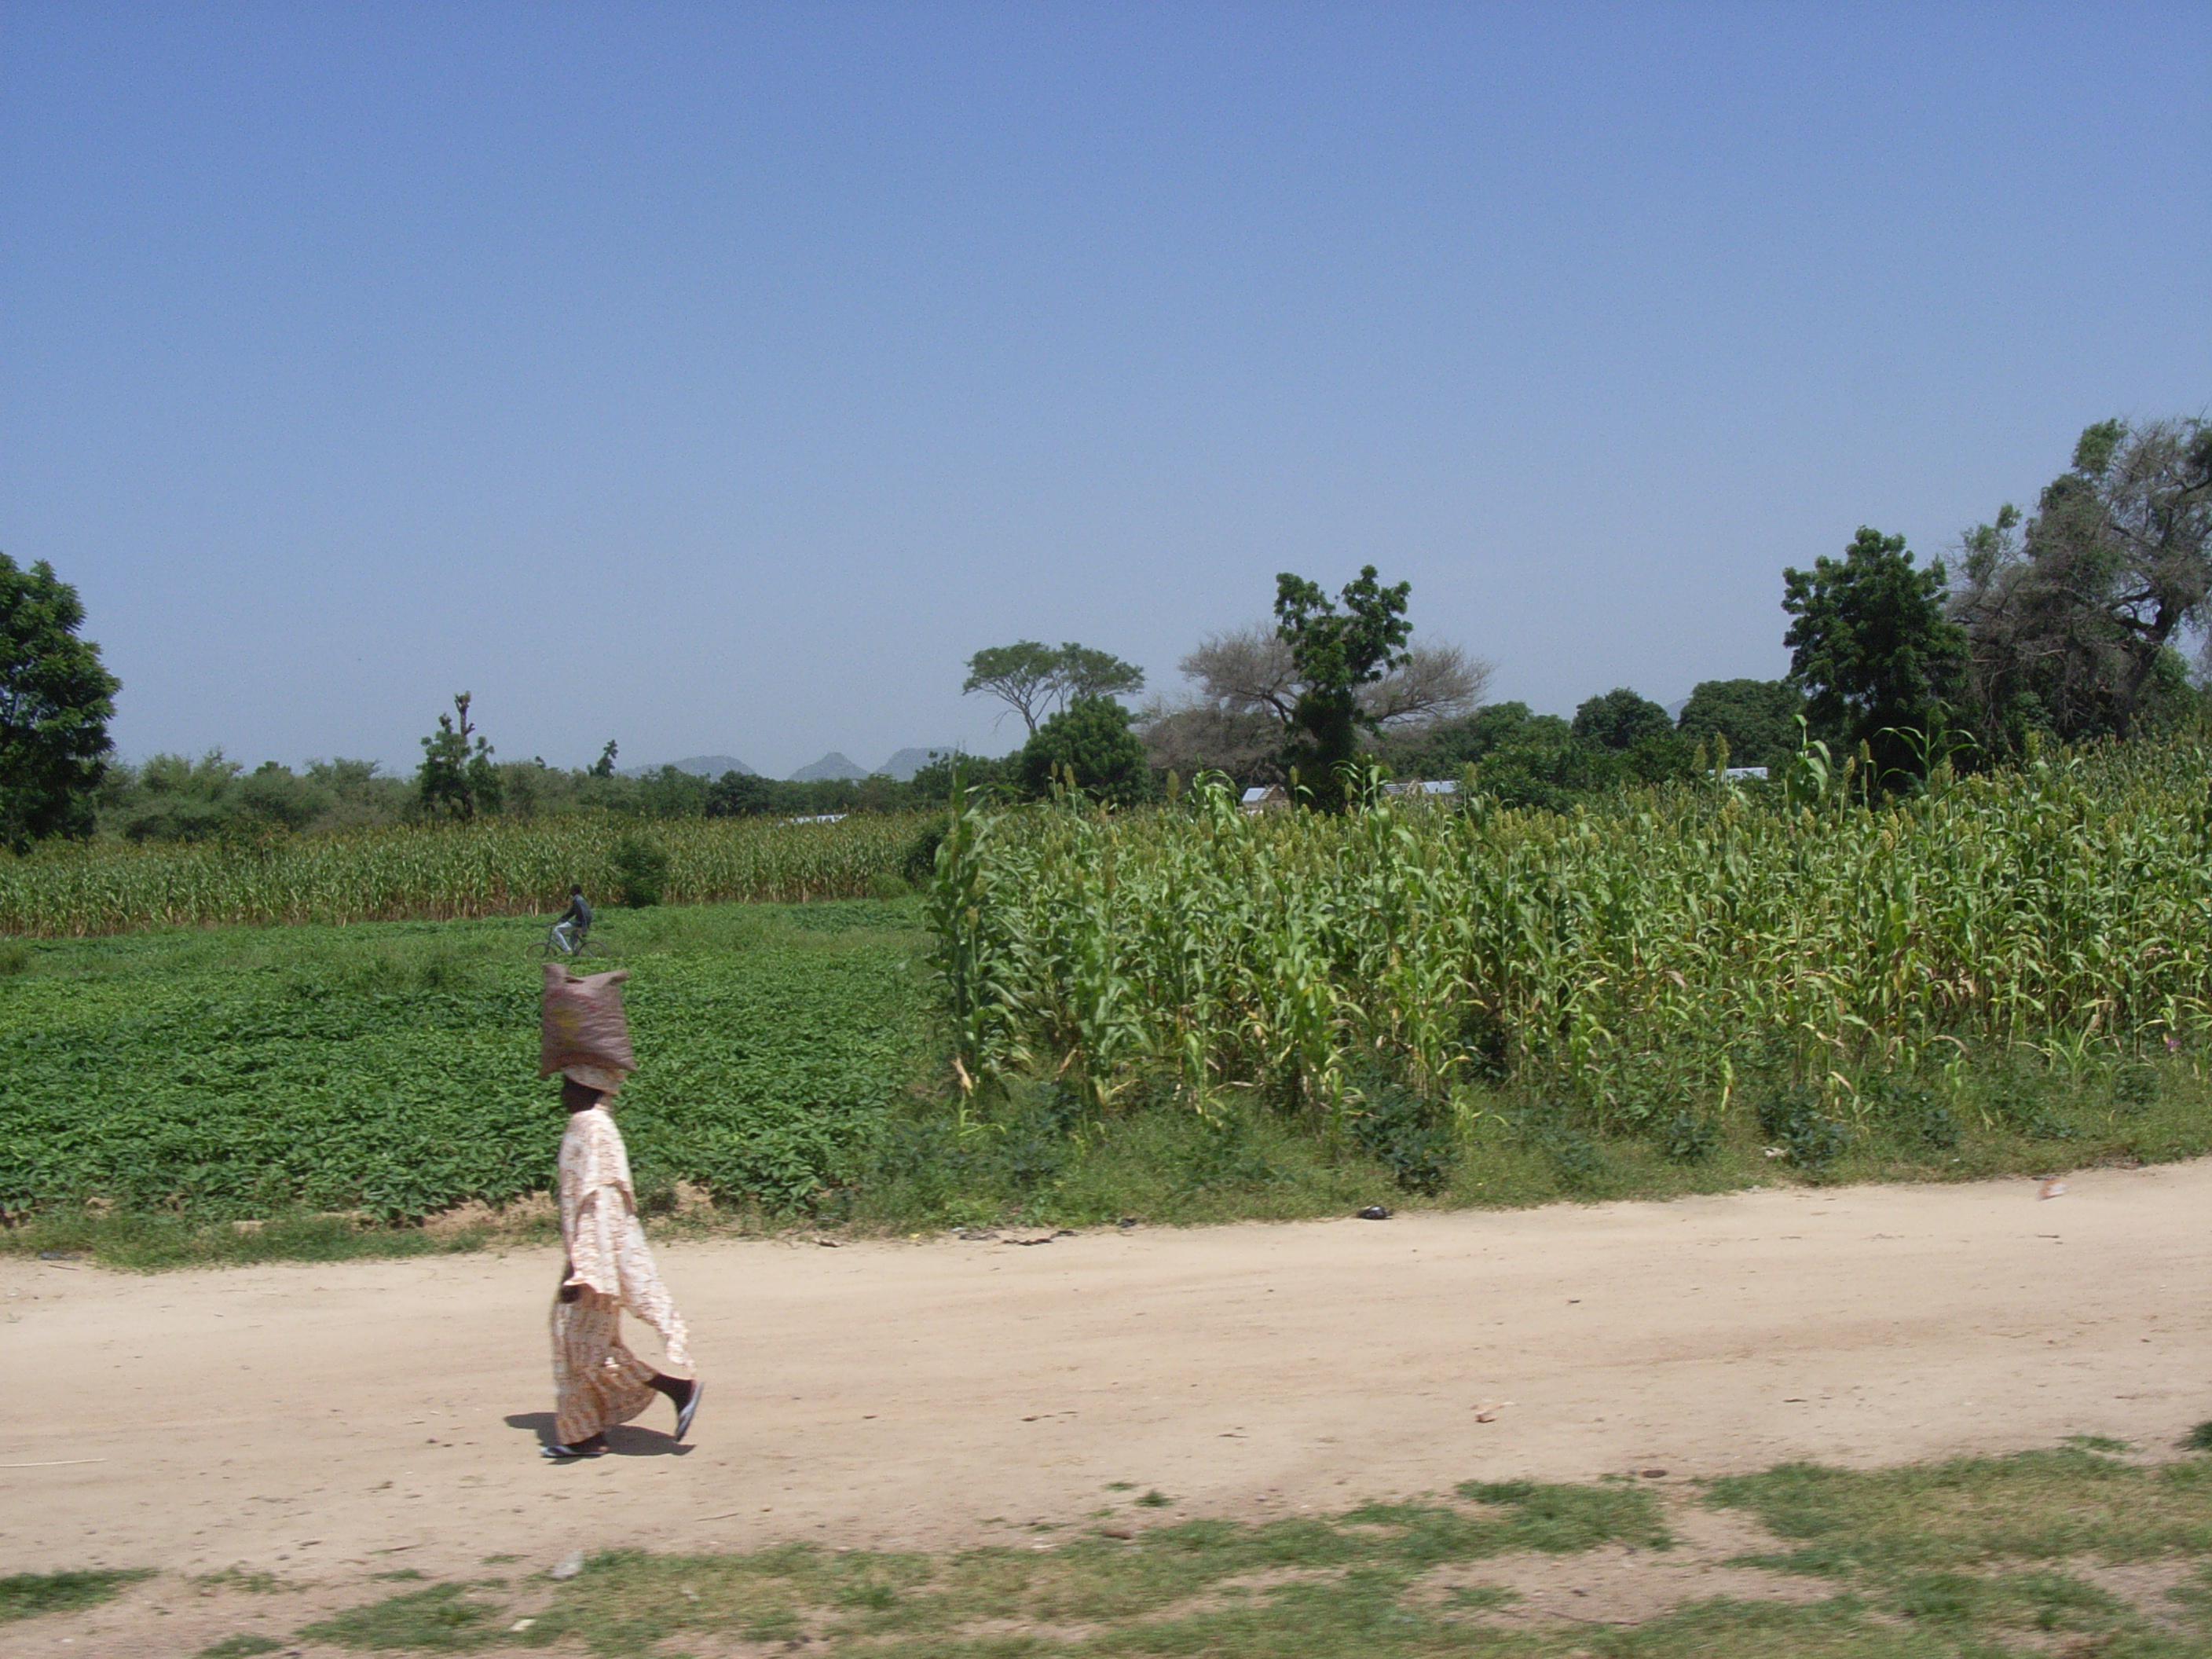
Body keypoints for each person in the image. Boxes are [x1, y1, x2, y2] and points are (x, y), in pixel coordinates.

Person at [545, 1071, 701, 1459]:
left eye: (568, 1085)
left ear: (587, 1087)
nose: (563, 1093)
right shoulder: (593, 1124)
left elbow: (599, 1204)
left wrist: (582, 1269)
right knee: (585, 1344)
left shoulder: (592, 1126)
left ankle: (675, 1389)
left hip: (595, 1259)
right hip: (596, 1254)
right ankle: (585, 1435)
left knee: (582, 1346)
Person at [552, 884, 593, 954]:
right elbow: (571, 912)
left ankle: (567, 950)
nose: (570, 892)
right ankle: (576, 953)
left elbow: (583, 914)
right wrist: (560, 920)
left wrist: (584, 927)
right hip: (583, 922)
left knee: (556, 930)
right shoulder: (579, 899)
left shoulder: (577, 900)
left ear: (574, 891)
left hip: (579, 922)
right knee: (573, 937)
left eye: (571, 890)